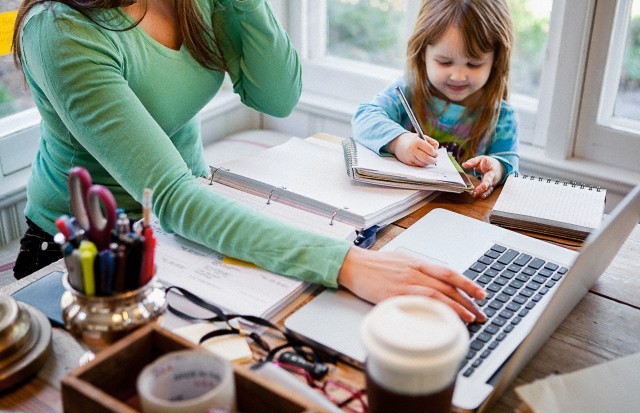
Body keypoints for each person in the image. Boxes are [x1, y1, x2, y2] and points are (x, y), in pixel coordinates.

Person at [11, 0, 486, 323]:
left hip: (190, 223)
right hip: (88, 258)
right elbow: (172, 197)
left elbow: (276, 97)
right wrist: (346, 263)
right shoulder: (60, 27)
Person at [352, 0, 518, 200]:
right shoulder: (408, 91)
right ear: (423, 54)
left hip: (461, 214)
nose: (458, 76)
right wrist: (399, 142)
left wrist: (496, 168)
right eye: (444, 62)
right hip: (399, 203)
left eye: (473, 64)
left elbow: (510, 166)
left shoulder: (501, 115)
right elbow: (363, 117)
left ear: (496, 60)